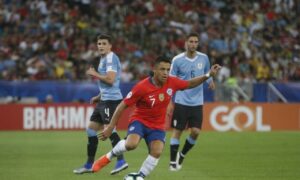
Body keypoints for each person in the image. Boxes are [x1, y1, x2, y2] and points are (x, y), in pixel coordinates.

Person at [91, 56, 221, 178]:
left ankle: (139, 176)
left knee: (157, 152)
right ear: (154, 70)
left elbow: (190, 83)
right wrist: (110, 127)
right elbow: (122, 106)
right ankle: (107, 157)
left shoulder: (172, 82)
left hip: (158, 125)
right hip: (140, 121)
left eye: (168, 70)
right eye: (162, 69)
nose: (165, 73)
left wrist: (208, 75)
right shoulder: (142, 87)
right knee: (131, 144)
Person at [73, 34, 128, 175]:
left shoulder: (111, 57)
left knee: (110, 130)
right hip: (104, 99)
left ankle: (121, 161)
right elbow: (109, 84)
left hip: (111, 100)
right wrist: (99, 96)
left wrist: (94, 73)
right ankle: (89, 164)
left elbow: (110, 80)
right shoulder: (104, 58)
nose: (101, 46)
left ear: (110, 46)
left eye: (104, 43)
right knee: (91, 130)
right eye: (99, 44)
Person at [168, 32, 215, 171]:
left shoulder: (204, 58)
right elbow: (170, 82)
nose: (193, 44)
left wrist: (210, 81)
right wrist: (170, 102)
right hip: (181, 101)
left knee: (195, 132)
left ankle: (182, 155)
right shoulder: (177, 60)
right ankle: (172, 162)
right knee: (178, 131)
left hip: (197, 102)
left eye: (196, 42)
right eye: (191, 41)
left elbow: (207, 72)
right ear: (186, 43)